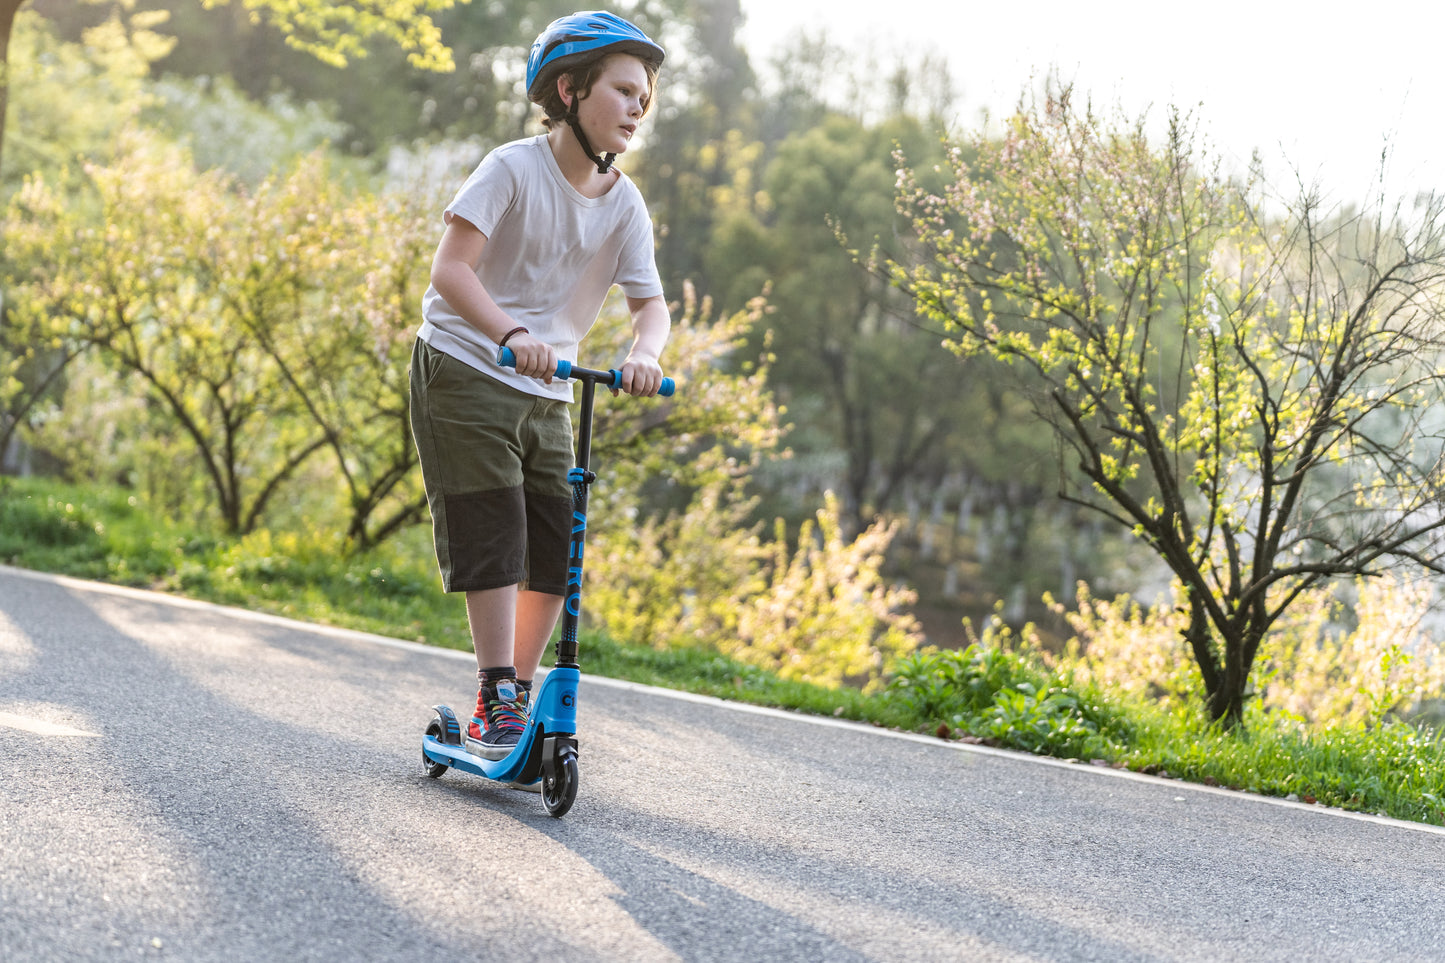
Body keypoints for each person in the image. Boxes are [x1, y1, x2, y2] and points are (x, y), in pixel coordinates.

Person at [408, 10, 671, 763]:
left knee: (556, 544)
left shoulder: (624, 204)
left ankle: (515, 695)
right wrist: (510, 334)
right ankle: (496, 692)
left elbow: (649, 307)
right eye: (622, 90)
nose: (635, 108)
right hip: (465, 363)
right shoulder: (512, 169)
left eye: (643, 98)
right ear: (569, 88)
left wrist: (644, 352)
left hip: (550, 389)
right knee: (495, 527)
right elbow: (450, 270)